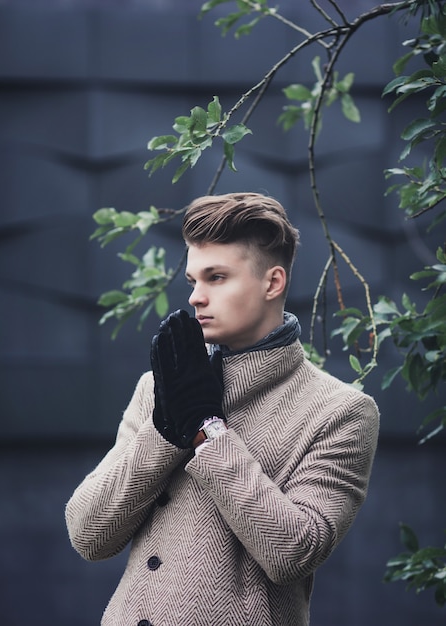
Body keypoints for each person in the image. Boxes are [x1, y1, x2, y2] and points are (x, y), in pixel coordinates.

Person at [65, 192, 379, 626]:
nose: (196, 297)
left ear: (272, 282)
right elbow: (88, 535)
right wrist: (167, 432)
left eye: (216, 277)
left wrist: (208, 433)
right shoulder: (159, 389)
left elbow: (295, 552)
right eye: (193, 280)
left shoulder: (340, 411)